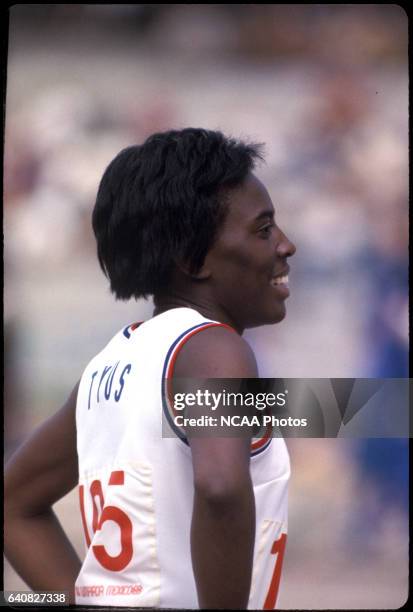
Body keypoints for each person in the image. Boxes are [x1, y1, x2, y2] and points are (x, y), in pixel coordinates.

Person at [4, 128, 296, 609]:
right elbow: (220, 485)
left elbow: (13, 505)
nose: (287, 246)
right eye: (264, 230)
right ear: (192, 258)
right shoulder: (214, 348)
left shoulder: (105, 369)